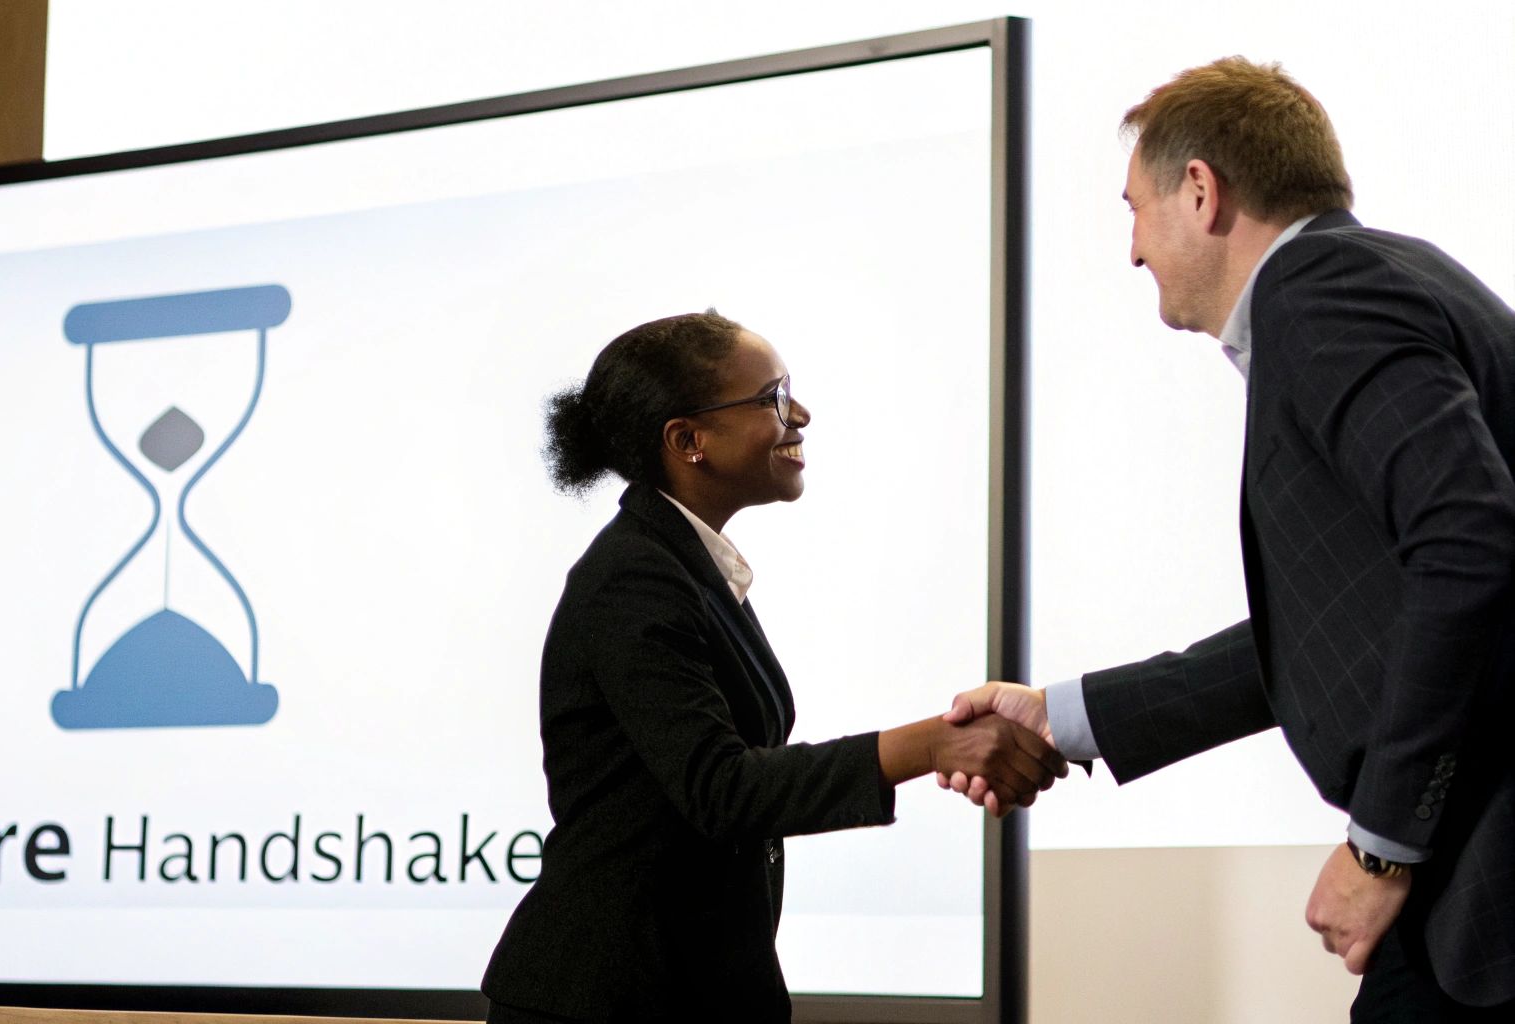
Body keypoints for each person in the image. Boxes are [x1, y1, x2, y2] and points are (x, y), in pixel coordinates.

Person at [938, 58, 1515, 1021]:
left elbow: (1468, 541)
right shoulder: (1376, 278)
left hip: (1478, 876)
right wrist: (1066, 715)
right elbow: (1341, 626)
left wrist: (1379, 847)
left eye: (1134, 209)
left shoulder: (1322, 295)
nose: (1131, 252)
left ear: (1200, 191)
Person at [481, 311, 1066, 1023]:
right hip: (608, 997)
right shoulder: (632, 577)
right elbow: (721, 789)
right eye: (773, 398)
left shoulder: (683, 565)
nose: (802, 415)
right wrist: (933, 743)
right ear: (687, 440)